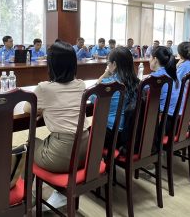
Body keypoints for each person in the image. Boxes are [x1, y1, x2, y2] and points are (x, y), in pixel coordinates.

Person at [23, 41, 87, 209]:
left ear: (51, 65)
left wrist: (43, 109)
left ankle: (24, 199)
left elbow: (27, 108)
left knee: (28, 146)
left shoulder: (44, 88)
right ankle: (59, 194)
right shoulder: (81, 84)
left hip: (63, 156)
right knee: (45, 141)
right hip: (86, 152)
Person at [95, 46, 140, 151]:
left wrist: (105, 74)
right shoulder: (137, 82)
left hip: (111, 135)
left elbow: (93, 95)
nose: (107, 66)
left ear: (114, 64)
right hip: (129, 133)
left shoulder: (108, 85)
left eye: (108, 63)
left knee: (84, 134)